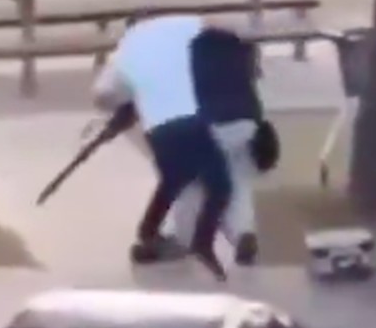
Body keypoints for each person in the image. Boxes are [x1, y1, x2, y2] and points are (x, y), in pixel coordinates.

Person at [92, 15, 265, 281]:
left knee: (189, 182)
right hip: (246, 119)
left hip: (202, 124)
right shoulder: (202, 37)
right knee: (236, 177)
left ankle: (180, 241)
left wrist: (126, 105)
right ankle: (243, 233)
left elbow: (105, 94)